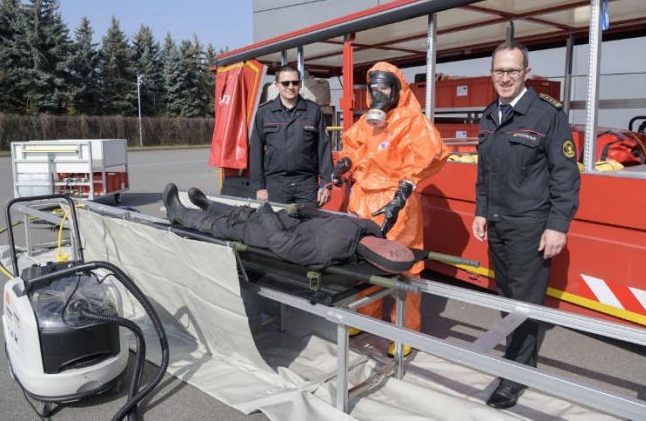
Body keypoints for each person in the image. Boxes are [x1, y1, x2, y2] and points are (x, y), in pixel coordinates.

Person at [472, 41, 580, 409]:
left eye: (512, 71)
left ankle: (515, 377)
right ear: (491, 74)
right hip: (499, 223)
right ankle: (517, 359)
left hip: (531, 225)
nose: (505, 78)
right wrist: (481, 211)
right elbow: (485, 172)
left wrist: (558, 226)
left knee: (524, 303)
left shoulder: (546, 115)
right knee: (507, 298)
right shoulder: (490, 115)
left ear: (526, 73)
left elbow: (565, 176)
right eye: (499, 71)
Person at [334, 61, 449, 356]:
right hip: (363, 199)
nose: (378, 93)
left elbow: (429, 154)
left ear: (397, 89)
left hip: (395, 201)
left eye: (384, 87)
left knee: (402, 267)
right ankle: (366, 317)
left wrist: (404, 188)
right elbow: (353, 147)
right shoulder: (369, 122)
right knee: (366, 263)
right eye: (374, 88)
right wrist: (343, 165)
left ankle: (404, 331)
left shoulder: (412, 121)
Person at [162, 183, 415, 272]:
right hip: (288, 220)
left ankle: (178, 213)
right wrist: (305, 211)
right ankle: (207, 203)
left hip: (266, 233)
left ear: (379, 260)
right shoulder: (368, 227)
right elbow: (329, 219)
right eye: (397, 248)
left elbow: (281, 244)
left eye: (392, 254)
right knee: (243, 212)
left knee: (221, 224)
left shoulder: (326, 251)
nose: (393, 247)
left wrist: (268, 213)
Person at [250, 64, 333, 208]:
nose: (290, 86)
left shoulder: (313, 111)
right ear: (276, 85)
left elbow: (324, 149)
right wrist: (259, 186)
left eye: (295, 82)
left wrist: (326, 184)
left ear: (300, 84)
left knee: (308, 228)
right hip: (276, 185)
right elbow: (256, 152)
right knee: (278, 227)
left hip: (306, 185)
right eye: (285, 83)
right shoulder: (264, 112)